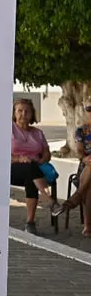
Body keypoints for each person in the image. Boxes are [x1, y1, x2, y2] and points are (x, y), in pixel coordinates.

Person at [10, 97, 62, 233]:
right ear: (14, 113)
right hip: (11, 168)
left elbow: (47, 153)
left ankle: (30, 222)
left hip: (33, 171)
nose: (23, 114)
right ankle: (49, 200)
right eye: (19, 111)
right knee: (30, 167)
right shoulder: (8, 130)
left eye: (27, 111)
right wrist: (18, 158)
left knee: (31, 173)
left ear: (32, 114)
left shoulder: (38, 133)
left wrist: (44, 158)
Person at [55, 97, 91, 235]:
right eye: (89, 109)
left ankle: (77, 197)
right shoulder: (81, 131)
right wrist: (85, 158)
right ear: (86, 111)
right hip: (86, 167)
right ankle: (88, 225)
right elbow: (79, 152)